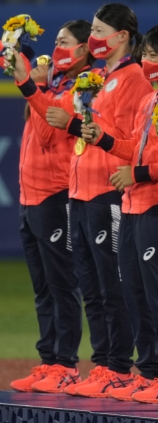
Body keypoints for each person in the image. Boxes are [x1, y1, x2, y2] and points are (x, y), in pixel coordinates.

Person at [32, 4, 152, 397]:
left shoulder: (134, 78)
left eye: (100, 31)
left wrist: (76, 125)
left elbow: (134, 140)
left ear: (122, 36)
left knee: (112, 286)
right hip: (80, 192)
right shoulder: (96, 78)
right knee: (92, 287)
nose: (95, 38)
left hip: (107, 191)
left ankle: (118, 366)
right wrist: (28, 84)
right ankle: (102, 364)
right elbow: (56, 116)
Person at [81, 23, 158, 403]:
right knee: (134, 294)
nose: (145, 60)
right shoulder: (151, 99)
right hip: (133, 206)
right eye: (144, 53)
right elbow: (136, 147)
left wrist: (137, 174)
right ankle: (148, 372)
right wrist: (104, 140)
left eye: (152, 55)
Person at [8, 21, 96, 393]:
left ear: (84, 49)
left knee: (61, 284)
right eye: (56, 40)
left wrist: (35, 85)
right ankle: (48, 361)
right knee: (43, 287)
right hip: (30, 195)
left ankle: (65, 365)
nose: (56, 47)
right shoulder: (58, 84)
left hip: (56, 194)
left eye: (64, 41)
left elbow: (46, 134)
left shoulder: (83, 86)